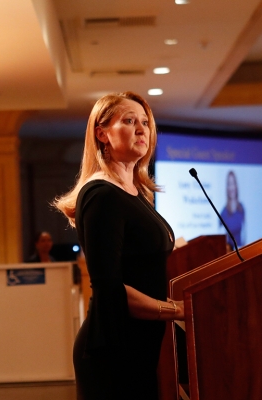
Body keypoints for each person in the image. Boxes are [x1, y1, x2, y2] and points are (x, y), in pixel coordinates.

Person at [53, 91, 184, 399]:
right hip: (113, 349)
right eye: (128, 121)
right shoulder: (102, 195)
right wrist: (175, 309)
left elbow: (138, 262)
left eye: (145, 122)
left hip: (141, 343)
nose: (142, 129)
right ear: (102, 133)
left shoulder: (135, 192)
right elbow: (109, 285)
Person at [220, 170, 245, 249]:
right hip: (229, 252)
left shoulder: (242, 209)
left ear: (236, 185)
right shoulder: (223, 212)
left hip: (243, 250)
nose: (231, 188)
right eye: (229, 184)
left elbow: (245, 234)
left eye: (233, 183)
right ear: (227, 188)